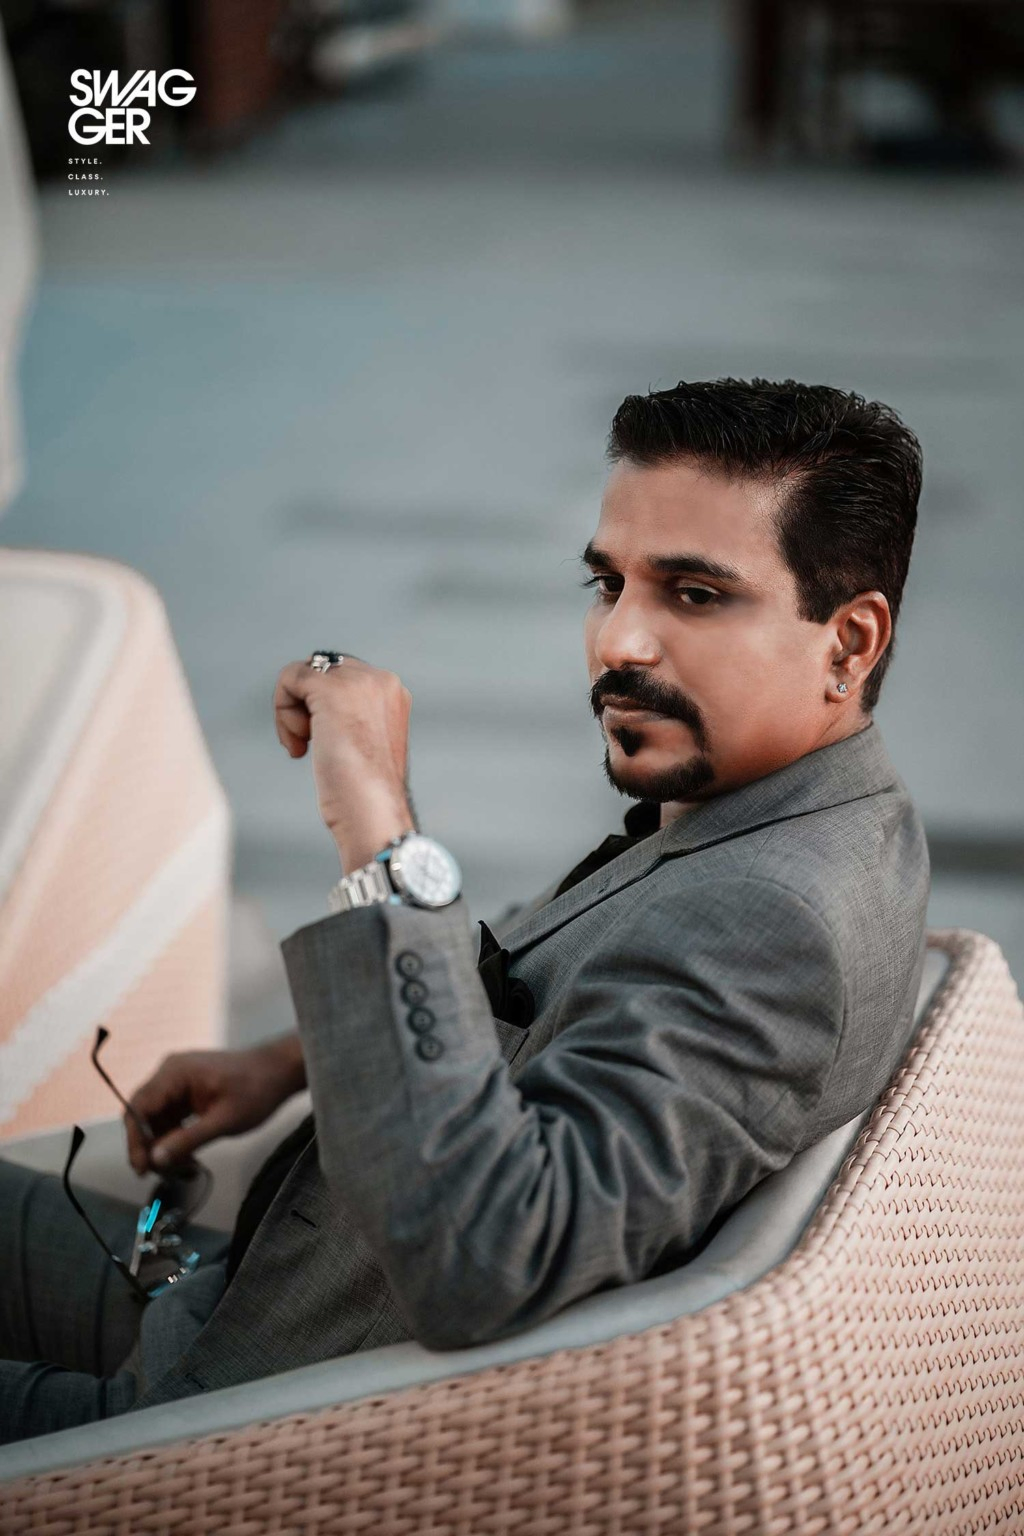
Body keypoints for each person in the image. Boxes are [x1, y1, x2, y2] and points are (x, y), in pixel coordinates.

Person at [0, 378, 930, 1444]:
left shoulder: (769, 922)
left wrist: (374, 819)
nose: (620, 642)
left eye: (695, 594)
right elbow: (547, 996)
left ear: (848, 643)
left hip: (218, 1421)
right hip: (239, 1296)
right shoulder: (828, 820)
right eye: (608, 583)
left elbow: (484, 1255)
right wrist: (292, 1059)